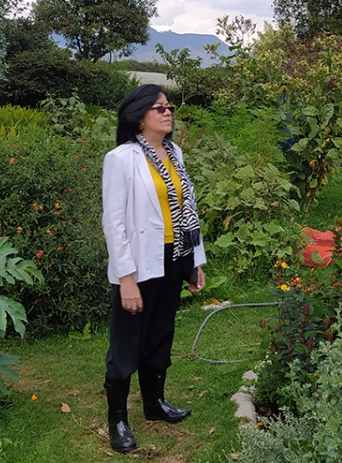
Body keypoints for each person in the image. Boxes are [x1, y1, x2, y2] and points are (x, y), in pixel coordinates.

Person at [101, 84, 206, 453]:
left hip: (173, 258)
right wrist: (125, 278)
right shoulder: (122, 158)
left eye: (169, 107)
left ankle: (154, 404)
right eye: (159, 107)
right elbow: (113, 223)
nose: (167, 112)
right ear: (139, 115)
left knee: (161, 333)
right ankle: (117, 420)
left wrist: (194, 261)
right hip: (139, 263)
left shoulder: (174, 152)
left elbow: (186, 210)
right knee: (128, 340)